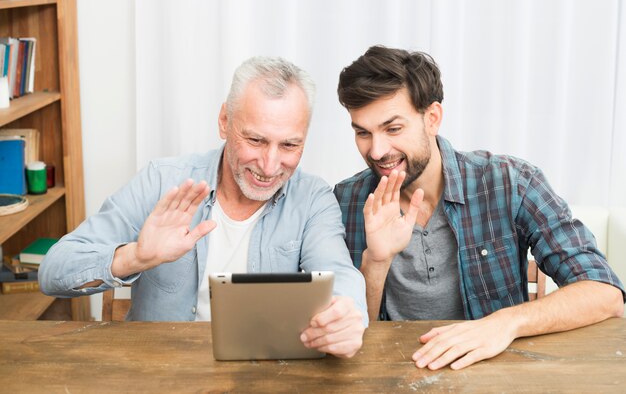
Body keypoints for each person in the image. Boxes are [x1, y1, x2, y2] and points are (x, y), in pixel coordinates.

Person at [40, 56, 367, 358]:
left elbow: (339, 274)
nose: (269, 166)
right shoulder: (161, 181)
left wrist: (344, 315)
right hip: (159, 373)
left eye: (290, 145)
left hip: (265, 376)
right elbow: (53, 271)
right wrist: (136, 257)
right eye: (255, 140)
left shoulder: (312, 199)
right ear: (225, 121)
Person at [333, 45, 625, 369]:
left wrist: (505, 323)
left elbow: (604, 292)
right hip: (387, 376)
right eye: (363, 133)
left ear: (432, 118)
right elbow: (345, 337)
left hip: (493, 375)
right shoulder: (346, 200)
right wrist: (377, 261)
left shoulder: (509, 182)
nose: (376, 151)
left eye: (393, 129)